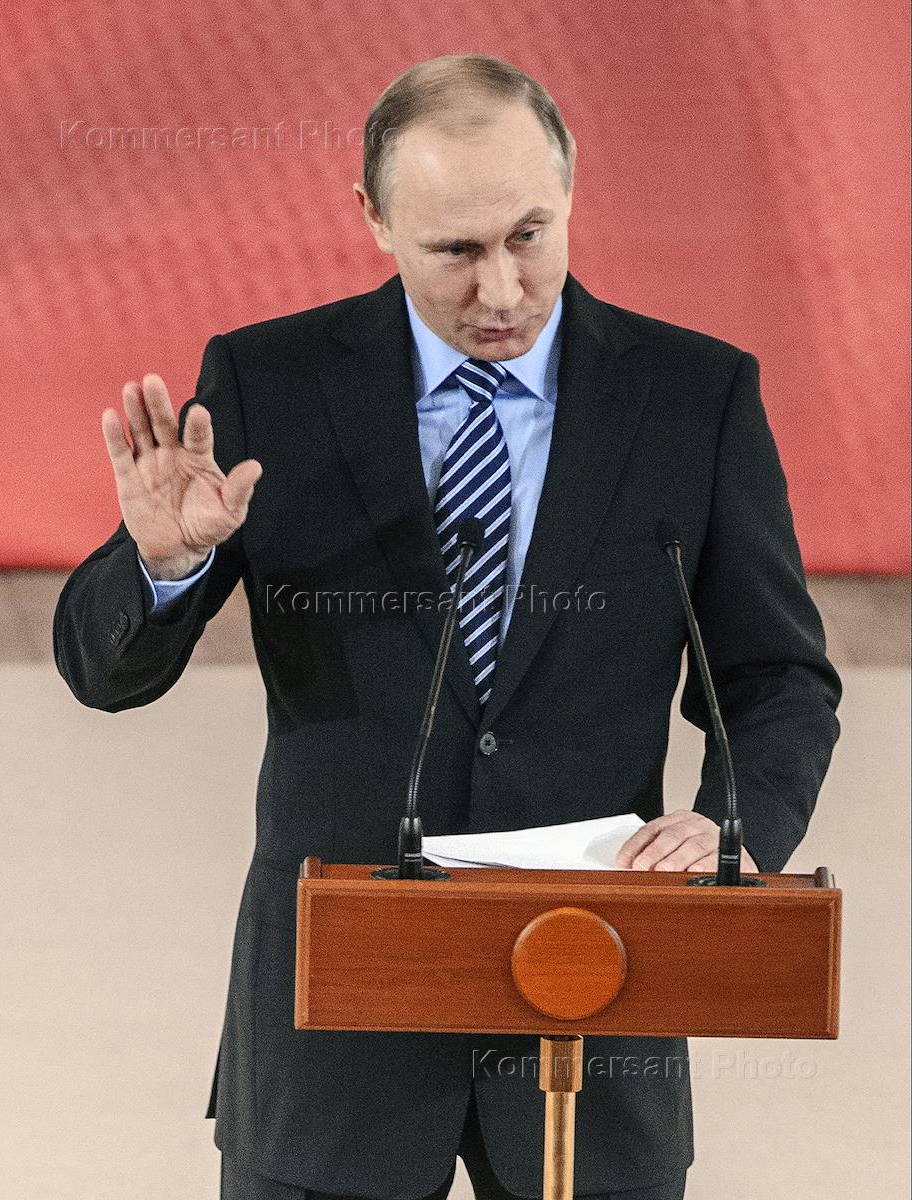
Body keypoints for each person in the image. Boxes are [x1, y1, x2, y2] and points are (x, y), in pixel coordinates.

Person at [53, 54, 842, 1200]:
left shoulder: (692, 397)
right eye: (456, 251)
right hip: (336, 1032)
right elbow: (101, 672)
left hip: (593, 1004)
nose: (502, 289)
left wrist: (731, 831)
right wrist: (167, 565)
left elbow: (777, 679)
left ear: (569, 188)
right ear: (373, 218)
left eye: (528, 235)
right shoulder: (271, 381)